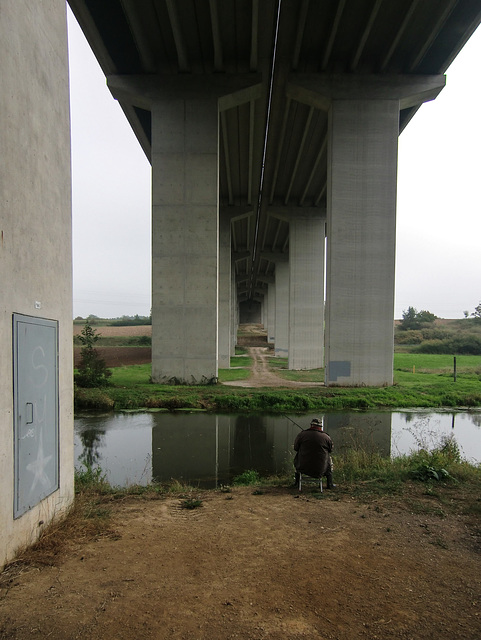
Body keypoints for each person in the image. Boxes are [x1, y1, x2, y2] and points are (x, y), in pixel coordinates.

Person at [293, 418, 336, 489]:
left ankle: (297, 483)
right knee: (329, 460)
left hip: (302, 467)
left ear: (311, 425)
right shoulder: (326, 437)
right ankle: (330, 484)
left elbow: (296, 448)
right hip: (321, 469)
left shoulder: (302, 434)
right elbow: (331, 450)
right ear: (320, 427)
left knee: (297, 457)